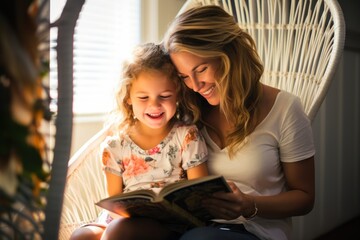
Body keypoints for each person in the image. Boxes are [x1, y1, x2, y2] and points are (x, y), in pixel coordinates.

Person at [162, 5, 315, 240]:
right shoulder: (188, 110)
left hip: (255, 231)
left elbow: (304, 198)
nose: (195, 85)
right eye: (184, 76)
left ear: (231, 55)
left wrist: (249, 205)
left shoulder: (285, 109)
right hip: (191, 227)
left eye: (201, 69)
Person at [70, 42, 209, 240]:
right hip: (121, 219)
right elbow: (114, 204)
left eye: (165, 96)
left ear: (177, 94)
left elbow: (199, 196)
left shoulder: (187, 136)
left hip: (171, 225)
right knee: (81, 236)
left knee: (119, 232)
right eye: (143, 97)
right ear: (128, 97)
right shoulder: (116, 145)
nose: (155, 105)